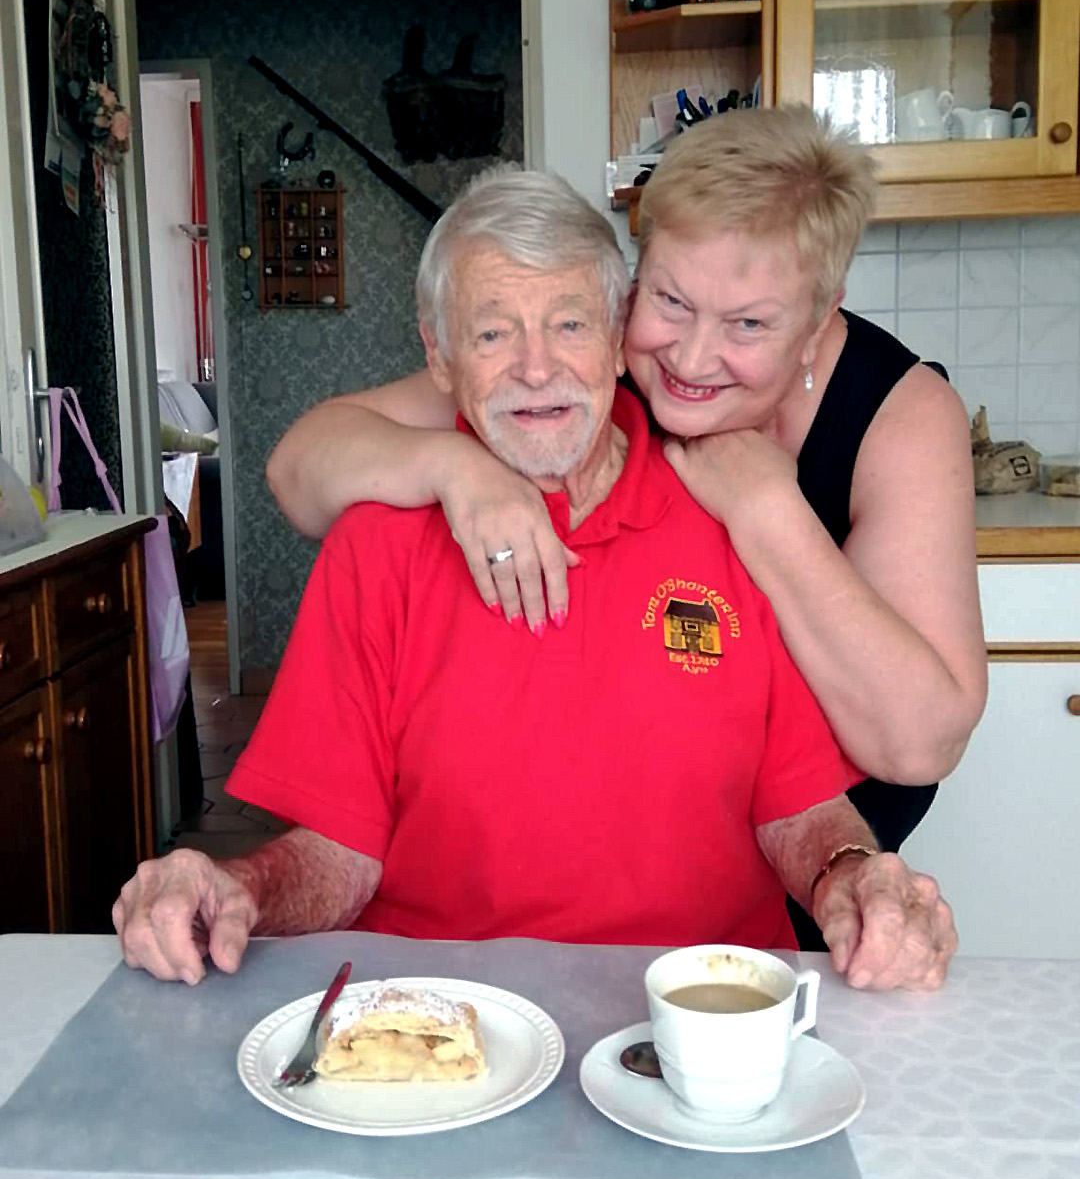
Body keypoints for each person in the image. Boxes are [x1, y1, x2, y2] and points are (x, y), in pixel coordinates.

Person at [114, 168, 956, 989]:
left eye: (569, 325)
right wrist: (240, 888)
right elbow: (341, 854)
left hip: (697, 1009)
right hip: (441, 1017)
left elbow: (800, 809)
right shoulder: (374, 545)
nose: (536, 368)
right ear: (440, 355)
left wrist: (853, 875)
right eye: (492, 335)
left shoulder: (736, 514)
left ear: (617, 336)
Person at [267, 109, 987, 891]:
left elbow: (919, 744)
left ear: (818, 319)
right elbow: (300, 472)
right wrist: (454, 466)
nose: (691, 358)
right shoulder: (586, 363)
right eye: (670, 301)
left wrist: (766, 510)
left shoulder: (898, 414)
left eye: (748, 323)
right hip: (654, 844)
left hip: (835, 852)